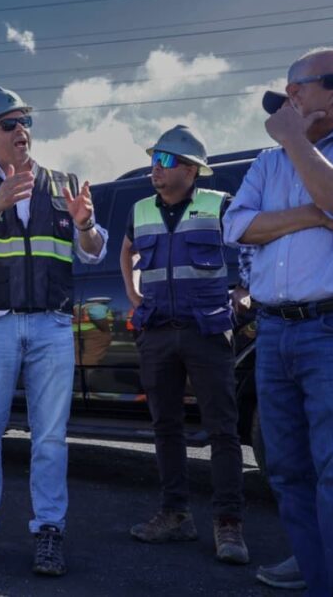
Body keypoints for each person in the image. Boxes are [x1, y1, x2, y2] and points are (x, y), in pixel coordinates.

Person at [224, 47, 333, 595]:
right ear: (295, 94)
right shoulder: (265, 164)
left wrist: (292, 138)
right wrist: (314, 218)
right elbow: (237, 227)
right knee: (290, 477)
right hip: (276, 331)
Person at [0, 86, 107, 576]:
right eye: (9, 124)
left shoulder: (64, 183)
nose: (21, 131)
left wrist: (84, 225)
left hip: (52, 324)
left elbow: (93, 251)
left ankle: (50, 530)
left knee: (51, 436)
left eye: (25, 122)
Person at [118, 125, 248, 564]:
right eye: (155, 158)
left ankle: (228, 525)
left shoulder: (219, 206)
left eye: (167, 160)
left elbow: (252, 246)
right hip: (157, 331)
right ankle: (174, 516)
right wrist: (135, 297)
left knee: (222, 430)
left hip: (207, 331)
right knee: (165, 427)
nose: (157, 167)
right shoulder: (139, 210)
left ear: (192, 170)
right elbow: (126, 253)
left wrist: (244, 289)